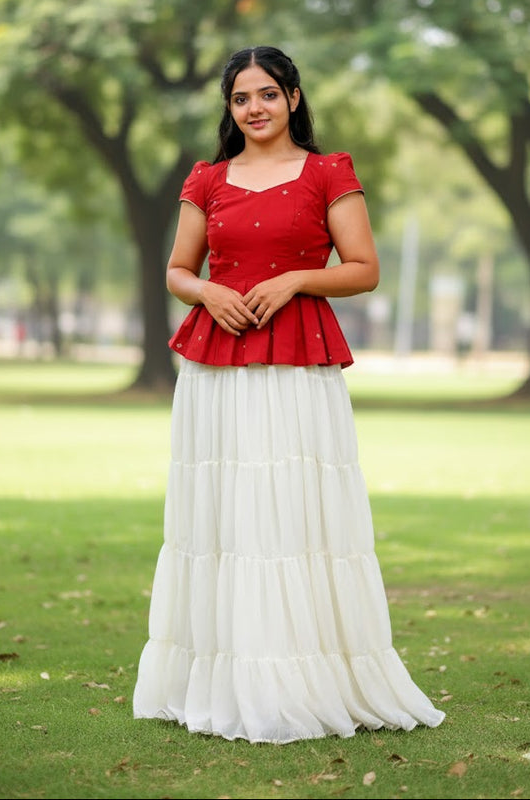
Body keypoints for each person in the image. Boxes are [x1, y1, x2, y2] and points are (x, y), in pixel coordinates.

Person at [133, 45, 445, 744]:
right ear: (229, 108)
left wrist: (298, 279)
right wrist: (209, 289)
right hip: (216, 371)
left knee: (292, 515)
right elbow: (178, 271)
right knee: (222, 520)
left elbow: (363, 269)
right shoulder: (206, 180)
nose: (255, 108)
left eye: (268, 94)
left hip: (296, 367)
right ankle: (221, 678)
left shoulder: (329, 172)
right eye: (241, 97)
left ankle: (303, 678)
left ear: (294, 98)